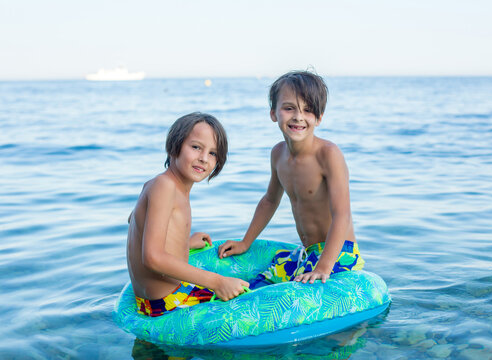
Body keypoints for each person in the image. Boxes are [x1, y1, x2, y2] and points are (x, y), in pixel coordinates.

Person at [218, 71, 364, 287]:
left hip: (340, 254)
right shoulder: (278, 154)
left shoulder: (328, 154)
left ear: (319, 117)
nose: (298, 117)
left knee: (290, 291)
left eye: (308, 110)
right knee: (257, 283)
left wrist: (323, 267)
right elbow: (270, 201)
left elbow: (342, 214)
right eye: (289, 108)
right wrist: (245, 242)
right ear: (273, 113)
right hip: (309, 252)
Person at [127, 112, 249, 317]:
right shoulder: (164, 186)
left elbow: (134, 219)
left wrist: (183, 244)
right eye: (196, 147)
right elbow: (151, 258)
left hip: (158, 300)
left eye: (213, 153)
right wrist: (217, 282)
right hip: (169, 303)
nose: (203, 158)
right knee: (249, 296)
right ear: (174, 145)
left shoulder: (161, 184)